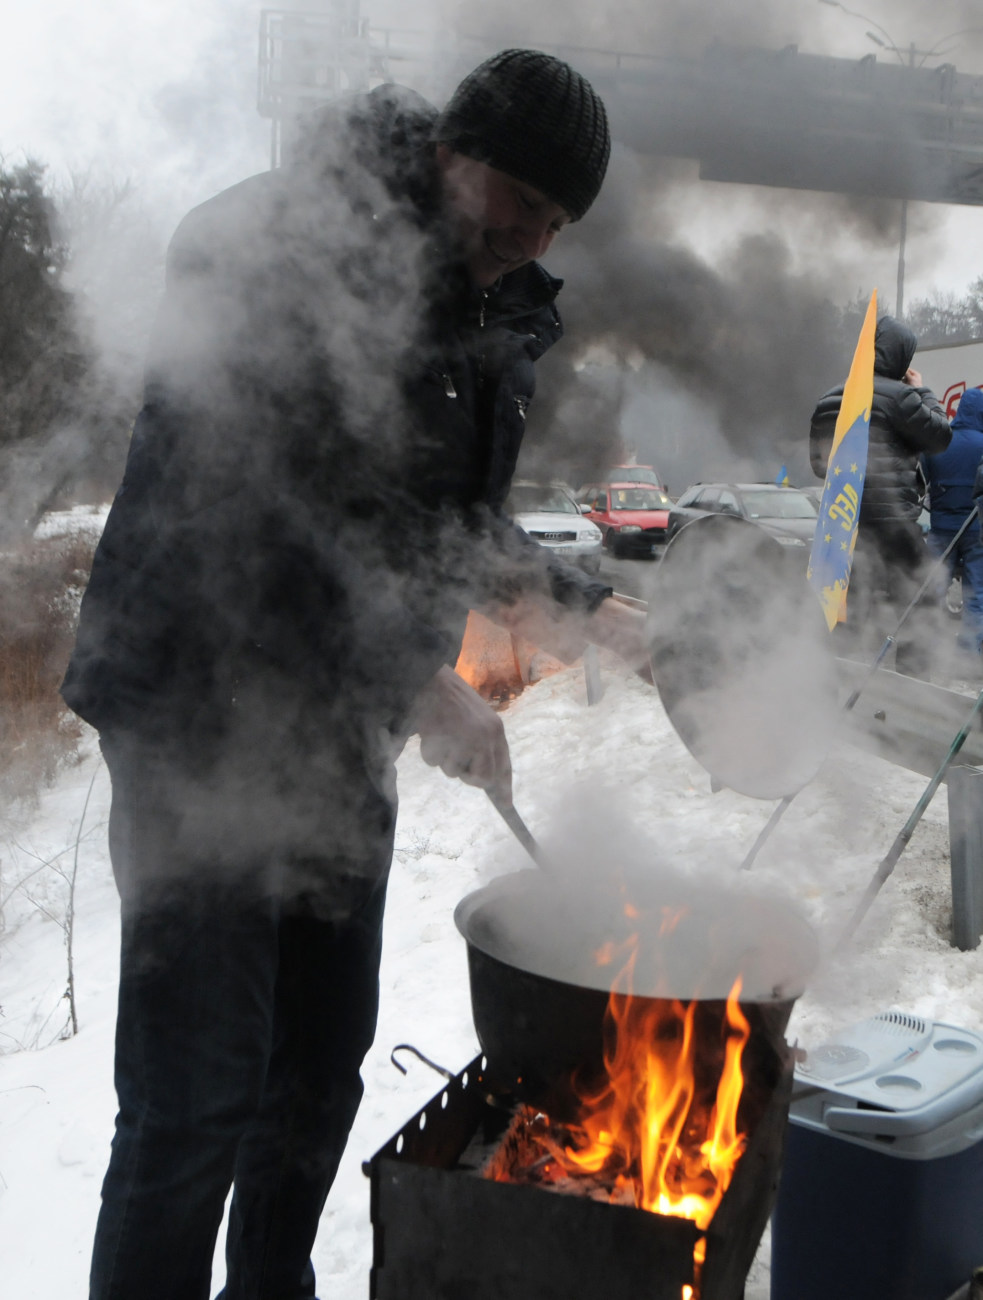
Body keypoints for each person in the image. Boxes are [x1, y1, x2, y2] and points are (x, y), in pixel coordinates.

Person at [62, 50, 651, 1300]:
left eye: (556, 219)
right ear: (453, 148)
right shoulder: (276, 243)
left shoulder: (489, 309)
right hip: (197, 711)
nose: (533, 234)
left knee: (322, 1064)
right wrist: (419, 682)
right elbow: (252, 507)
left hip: (335, 723)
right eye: (520, 199)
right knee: (197, 1096)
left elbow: (436, 523)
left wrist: (600, 613)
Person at [809, 315, 950, 676]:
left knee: (848, 604)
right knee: (921, 599)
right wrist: (923, 391)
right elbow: (940, 436)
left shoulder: (828, 398)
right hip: (892, 522)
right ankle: (911, 687)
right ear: (900, 356)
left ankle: (834, 679)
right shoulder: (902, 396)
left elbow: (819, 466)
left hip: (842, 522)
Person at [924, 386, 983, 662]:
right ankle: (969, 653)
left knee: (933, 588)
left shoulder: (938, 441)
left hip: (941, 528)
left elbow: (921, 479)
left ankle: (926, 644)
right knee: (975, 593)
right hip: (976, 531)